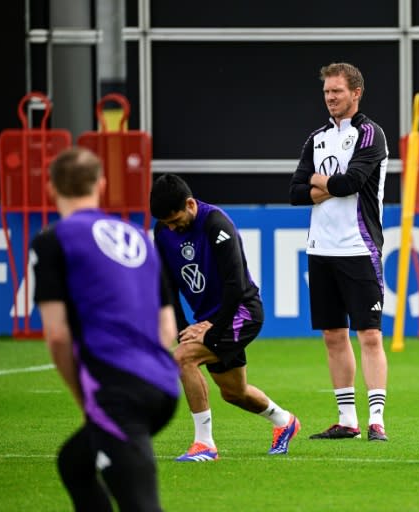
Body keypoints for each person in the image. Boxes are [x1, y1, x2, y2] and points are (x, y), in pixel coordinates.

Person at [31, 147, 179, 511]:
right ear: (101, 183)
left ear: (51, 189)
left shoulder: (53, 240)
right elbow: (168, 328)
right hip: (163, 386)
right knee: (74, 464)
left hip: (118, 391)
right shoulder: (139, 237)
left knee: (141, 504)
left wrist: (86, 400)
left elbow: (57, 335)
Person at [149, 173, 300, 461]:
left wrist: (212, 330)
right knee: (234, 392)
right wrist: (184, 328)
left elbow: (236, 285)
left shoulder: (217, 224)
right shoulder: (163, 232)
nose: (172, 228)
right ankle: (284, 421)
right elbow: (166, 284)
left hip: (242, 312)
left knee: (183, 358)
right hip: (209, 318)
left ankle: (204, 444)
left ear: (190, 204)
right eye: (166, 223)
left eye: (176, 219)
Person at [289, 62, 390, 442]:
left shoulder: (370, 134)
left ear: (356, 93)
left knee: (369, 335)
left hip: (358, 247)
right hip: (321, 248)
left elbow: (352, 183)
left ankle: (376, 419)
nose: (331, 98)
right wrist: (325, 183)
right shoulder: (316, 138)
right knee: (333, 334)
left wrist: (316, 180)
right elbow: (295, 193)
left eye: (337, 91)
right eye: (327, 92)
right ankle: (347, 419)